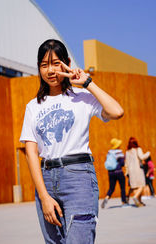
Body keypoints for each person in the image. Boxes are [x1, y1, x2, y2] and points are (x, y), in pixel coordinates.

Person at [20, 39, 124, 244]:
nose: (50, 70)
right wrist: (43, 196)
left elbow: (117, 112)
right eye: (44, 65)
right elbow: (31, 152)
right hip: (46, 179)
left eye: (56, 63)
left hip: (79, 177)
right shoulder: (33, 106)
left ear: (67, 62)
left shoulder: (82, 96)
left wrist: (87, 82)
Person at [101, 138, 128, 208]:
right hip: (119, 172)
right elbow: (122, 163)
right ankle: (124, 202)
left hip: (110, 172)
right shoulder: (119, 152)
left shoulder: (109, 152)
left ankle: (107, 197)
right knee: (122, 188)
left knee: (111, 188)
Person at [125, 137, 150, 207]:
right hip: (138, 169)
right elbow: (142, 157)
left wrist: (126, 172)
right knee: (142, 185)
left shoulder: (127, 152)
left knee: (135, 187)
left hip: (131, 171)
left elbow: (126, 163)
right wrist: (148, 153)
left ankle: (139, 202)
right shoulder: (138, 149)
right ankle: (135, 197)